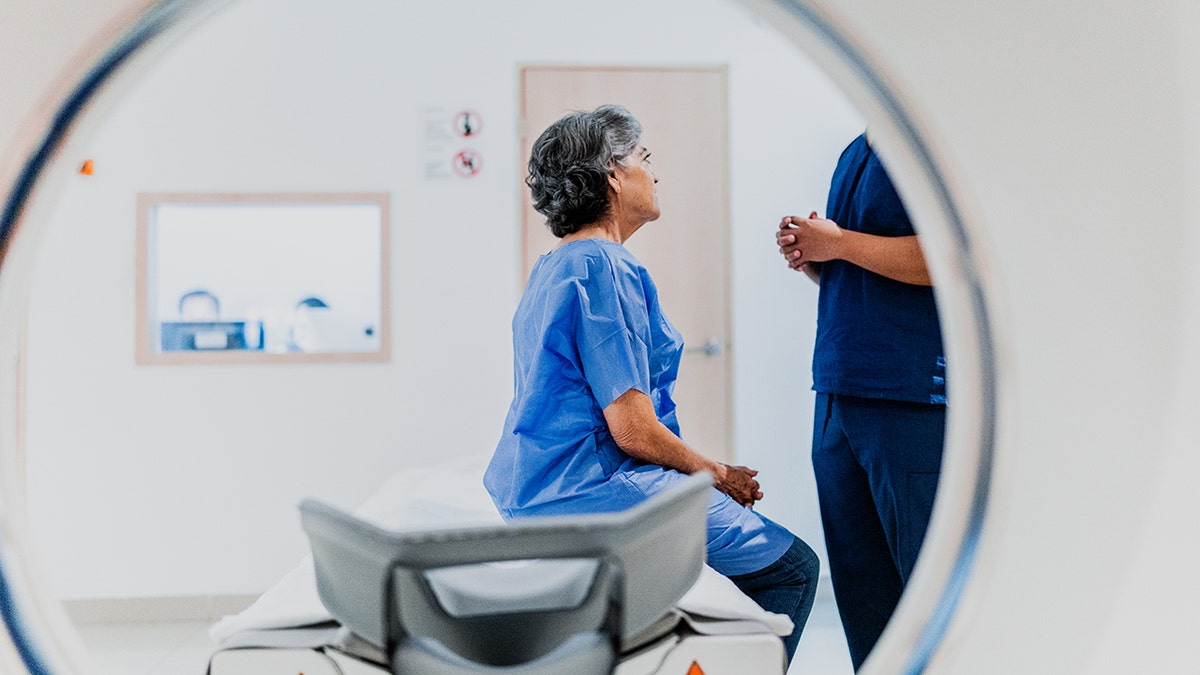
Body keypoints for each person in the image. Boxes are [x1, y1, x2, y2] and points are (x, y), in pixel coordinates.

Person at [485, 104, 819, 665]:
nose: (654, 173)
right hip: (596, 493)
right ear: (611, 175)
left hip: (535, 493)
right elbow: (633, 429)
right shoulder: (604, 266)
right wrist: (718, 474)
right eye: (644, 158)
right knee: (793, 569)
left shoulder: (554, 265)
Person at [775, 131, 946, 671]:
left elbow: (944, 258)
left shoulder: (931, 138)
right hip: (837, 391)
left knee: (925, 593)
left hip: (907, 397)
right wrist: (815, 257)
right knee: (862, 590)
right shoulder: (855, 150)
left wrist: (841, 243)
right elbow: (860, 271)